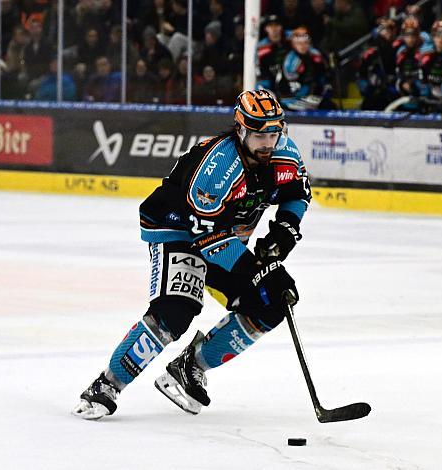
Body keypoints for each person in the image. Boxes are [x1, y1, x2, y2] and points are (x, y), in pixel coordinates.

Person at [73, 89, 312, 420]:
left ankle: (190, 367)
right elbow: (207, 237)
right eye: (260, 135)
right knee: (175, 311)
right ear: (241, 129)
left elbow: (297, 193)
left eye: (274, 133)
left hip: (223, 236)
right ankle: (107, 384)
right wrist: (256, 268)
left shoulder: (284, 153)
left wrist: (283, 235)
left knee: (270, 303)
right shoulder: (216, 168)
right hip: (178, 230)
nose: (268, 143)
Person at [280, 27, 331, 110]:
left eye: (305, 43)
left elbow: (323, 74)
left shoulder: (315, 54)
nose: (303, 46)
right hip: (293, 98)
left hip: (313, 95)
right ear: (294, 44)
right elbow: (291, 86)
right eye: (299, 43)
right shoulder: (291, 61)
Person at [357, 18, 399, 110]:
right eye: (384, 29)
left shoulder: (398, 49)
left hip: (392, 96)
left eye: (391, 29)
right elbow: (361, 77)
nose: (388, 32)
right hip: (373, 95)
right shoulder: (370, 54)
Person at [257, 15, 290, 93]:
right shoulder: (262, 46)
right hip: (270, 80)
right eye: (270, 26)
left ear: (281, 27)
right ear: (266, 29)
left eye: (277, 25)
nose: (274, 29)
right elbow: (260, 70)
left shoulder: (290, 37)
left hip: (291, 79)